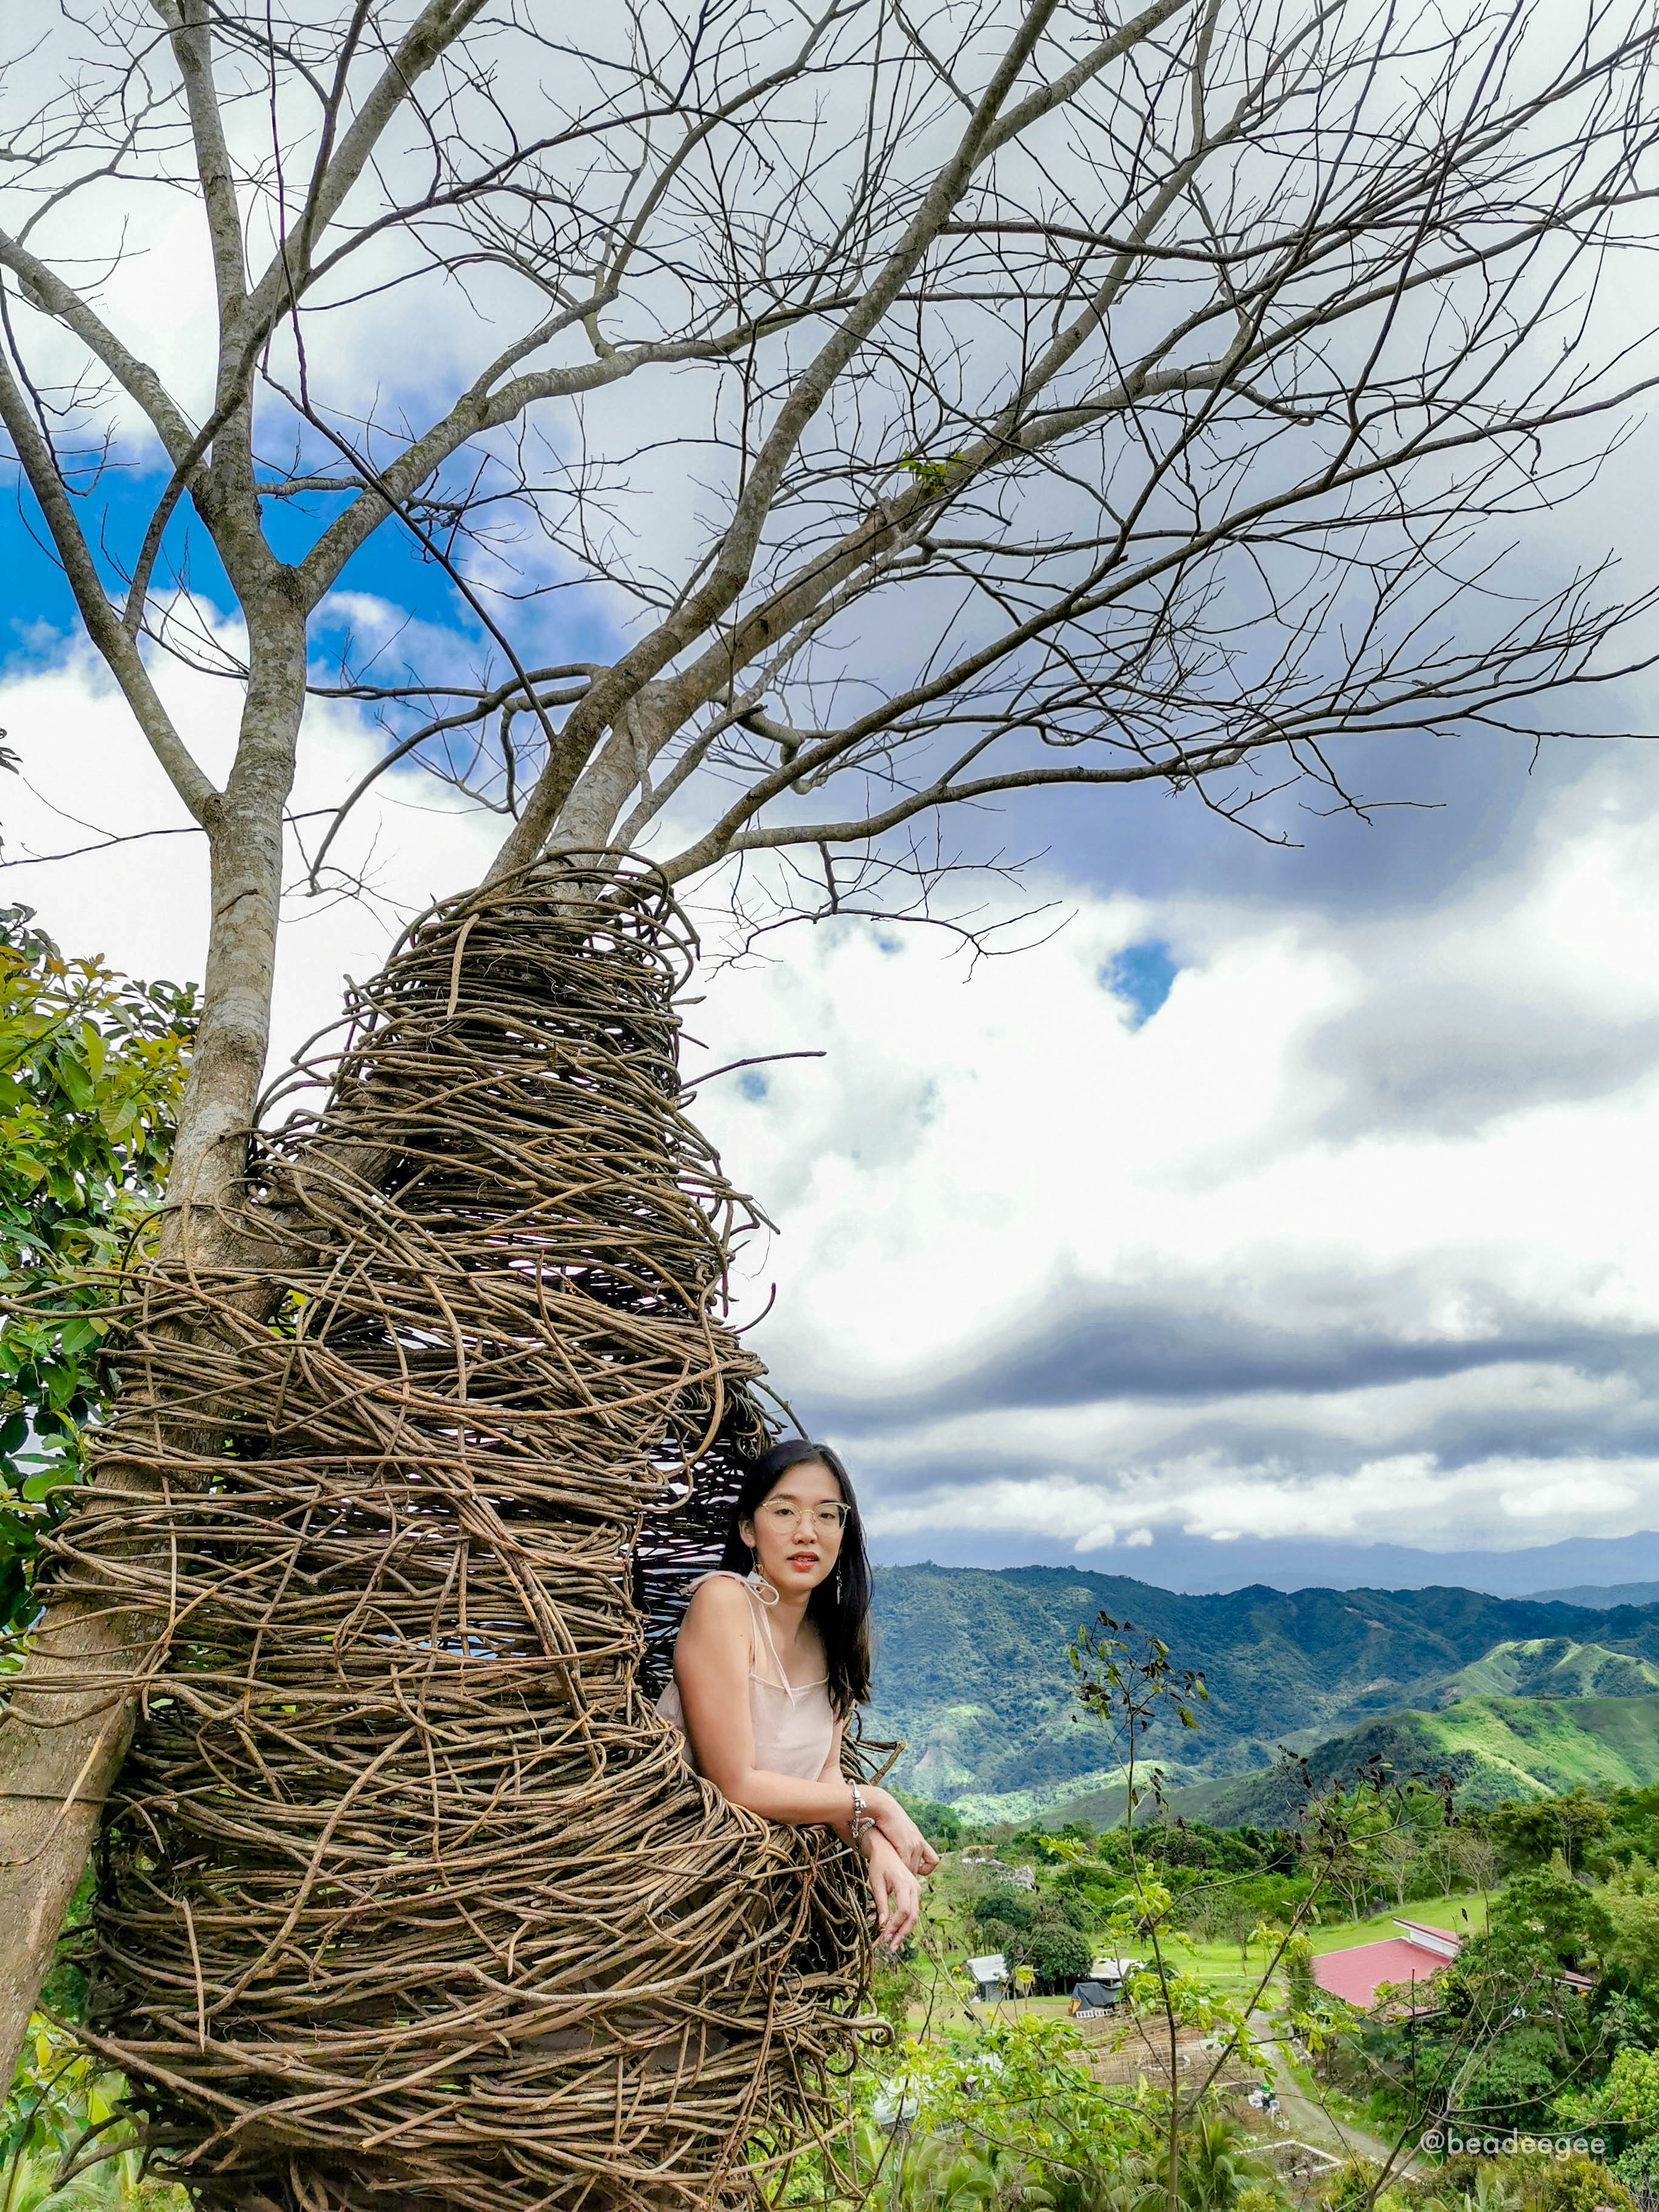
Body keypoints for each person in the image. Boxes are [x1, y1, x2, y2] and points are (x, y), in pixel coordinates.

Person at [657, 1438, 938, 1954]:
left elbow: (823, 1778)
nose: (806, 1532)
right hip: (669, 1896)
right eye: (784, 1511)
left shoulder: (831, 1639)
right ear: (748, 1529)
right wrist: (876, 1801)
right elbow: (734, 1783)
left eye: (826, 1515)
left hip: (751, 1919)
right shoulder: (723, 1604)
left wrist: (876, 1844)